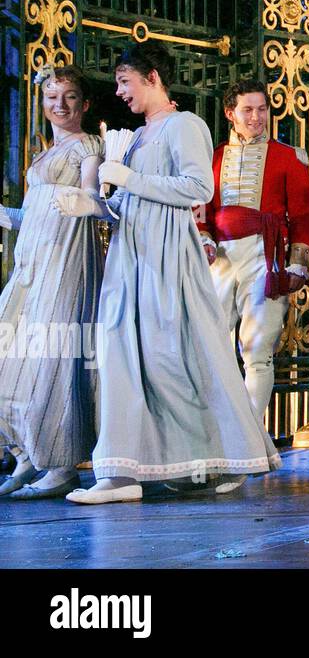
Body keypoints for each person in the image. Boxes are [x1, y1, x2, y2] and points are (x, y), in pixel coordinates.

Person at [53, 41, 280, 503]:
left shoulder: (184, 125)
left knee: (169, 363)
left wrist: (128, 178)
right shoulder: (138, 135)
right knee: (125, 360)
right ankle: (122, 474)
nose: (120, 92)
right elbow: (131, 202)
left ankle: (213, 458)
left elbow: (198, 186)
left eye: (125, 81)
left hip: (165, 258)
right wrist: (96, 205)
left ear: (152, 77)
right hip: (129, 257)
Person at [0, 67, 103, 499]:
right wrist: (8, 216)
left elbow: (93, 200)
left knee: (52, 356)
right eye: (51, 98)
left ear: (84, 103)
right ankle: (26, 455)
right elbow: (34, 212)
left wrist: (85, 201)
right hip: (32, 260)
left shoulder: (89, 147)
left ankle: (60, 464)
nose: (59, 105)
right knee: (10, 350)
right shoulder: (44, 153)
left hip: (67, 259)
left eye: (70, 97)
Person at [197, 81, 309, 422]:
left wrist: (297, 265)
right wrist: (203, 237)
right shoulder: (213, 156)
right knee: (211, 344)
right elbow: (200, 205)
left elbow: (303, 217)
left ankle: (250, 435)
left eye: (262, 109)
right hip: (219, 258)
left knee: (257, 350)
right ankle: (216, 429)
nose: (257, 117)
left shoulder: (288, 157)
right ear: (230, 113)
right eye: (248, 110)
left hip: (266, 256)